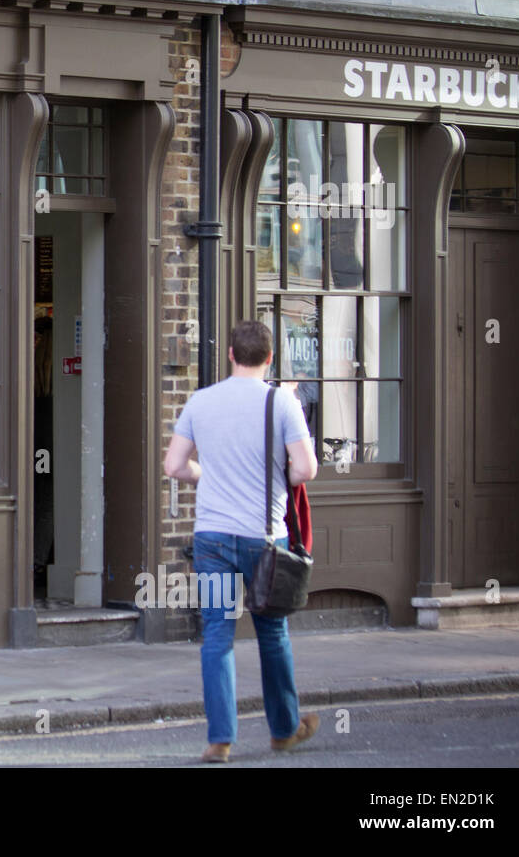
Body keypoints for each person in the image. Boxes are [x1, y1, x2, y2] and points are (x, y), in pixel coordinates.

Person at [163, 320, 319, 763]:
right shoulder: (282, 403)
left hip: (211, 539)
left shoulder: (201, 401)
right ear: (270, 358)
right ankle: (284, 730)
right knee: (273, 633)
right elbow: (305, 470)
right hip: (265, 539)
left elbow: (174, 466)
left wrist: (205, 474)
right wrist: (278, 477)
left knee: (216, 634)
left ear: (230, 354)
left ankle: (220, 740)